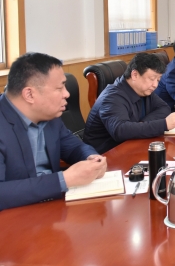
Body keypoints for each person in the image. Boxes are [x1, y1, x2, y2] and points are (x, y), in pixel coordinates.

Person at [0, 53, 107, 210]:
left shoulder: (49, 116)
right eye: (59, 88)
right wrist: (64, 179)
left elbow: (74, 146)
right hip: (16, 216)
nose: (67, 94)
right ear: (29, 94)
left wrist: (91, 158)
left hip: (54, 208)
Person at [83, 53, 175, 154]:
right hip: (105, 155)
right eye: (152, 79)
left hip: (131, 147)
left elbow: (164, 108)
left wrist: (141, 125)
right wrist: (164, 124)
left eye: (158, 80)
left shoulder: (143, 90)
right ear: (134, 75)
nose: (155, 85)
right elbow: (120, 130)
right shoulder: (111, 97)